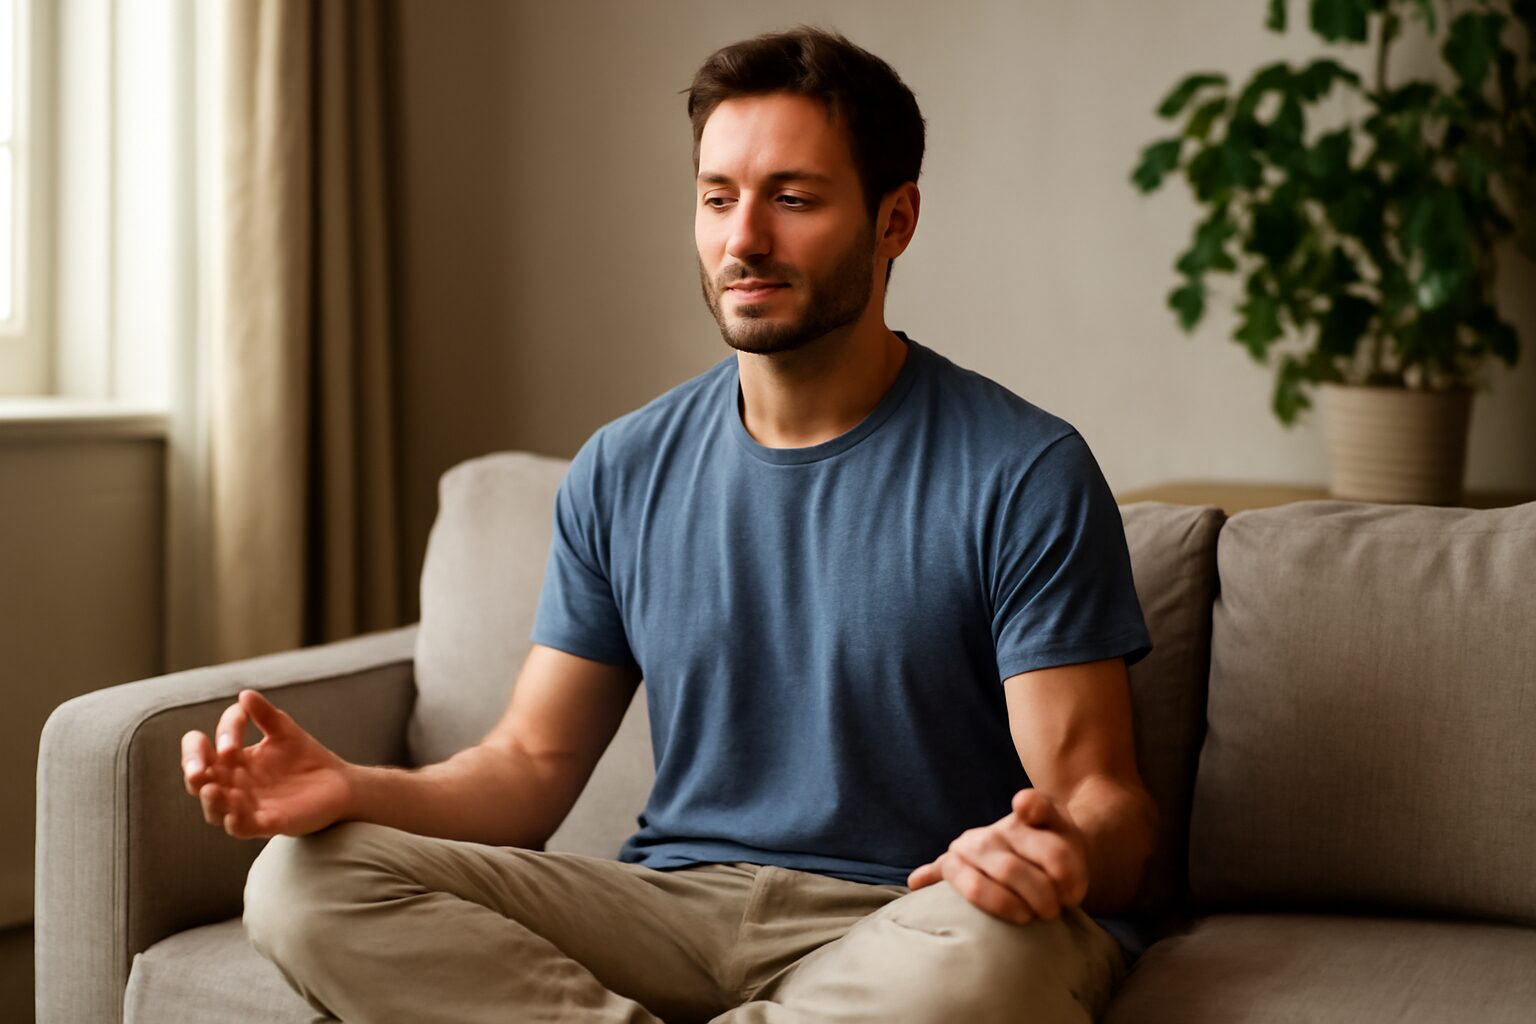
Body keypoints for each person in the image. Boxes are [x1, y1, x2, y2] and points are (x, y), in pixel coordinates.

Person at [182, 26, 1156, 1024]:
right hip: (674, 907)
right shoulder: (623, 467)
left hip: (911, 916)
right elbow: (527, 768)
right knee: (304, 880)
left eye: (793, 197)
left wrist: (1059, 848)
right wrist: (348, 786)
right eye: (718, 197)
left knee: (994, 963)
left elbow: (1104, 802)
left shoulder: (1021, 470)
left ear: (894, 219)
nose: (745, 240)